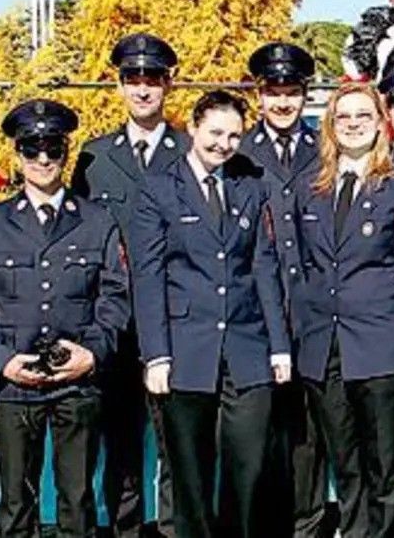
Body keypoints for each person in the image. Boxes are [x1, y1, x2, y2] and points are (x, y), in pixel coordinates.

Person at [0, 99, 130, 538]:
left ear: (65, 152)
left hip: (77, 382)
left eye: (53, 148)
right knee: (15, 501)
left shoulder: (97, 220)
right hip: (15, 383)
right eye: (32, 149)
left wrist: (91, 353)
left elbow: (116, 295)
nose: (43, 160)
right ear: (18, 155)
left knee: (78, 499)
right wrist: (2, 361)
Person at [129, 90, 292, 538]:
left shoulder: (248, 186)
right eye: (216, 132)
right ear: (195, 128)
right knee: (191, 480)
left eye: (234, 135)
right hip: (186, 351)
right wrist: (156, 355)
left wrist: (278, 347)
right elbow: (147, 277)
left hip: (246, 347)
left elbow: (263, 267)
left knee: (248, 471)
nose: (224, 144)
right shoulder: (159, 189)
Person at [291, 84, 394, 538]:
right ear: (330, 124)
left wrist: (385, 317)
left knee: (385, 466)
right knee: (345, 464)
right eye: (343, 116)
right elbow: (306, 266)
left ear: (379, 121)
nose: (352, 123)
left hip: (381, 346)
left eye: (362, 115)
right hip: (323, 347)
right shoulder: (311, 188)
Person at [71, 33, 187, 538]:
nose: (142, 89)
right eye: (132, 79)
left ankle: (173, 530)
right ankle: (125, 530)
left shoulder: (191, 150)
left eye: (152, 79)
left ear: (169, 83)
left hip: (179, 320)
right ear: (118, 85)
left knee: (178, 444)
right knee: (119, 444)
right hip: (117, 325)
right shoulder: (94, 157)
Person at [238, 42, 332, 538]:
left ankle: (310, 524)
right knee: (260, 431)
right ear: (258, 94)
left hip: (316, 311)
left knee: (309, 433)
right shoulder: (238, 152)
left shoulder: (325, 149)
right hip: (257, 314)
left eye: (291, 92)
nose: (282, 102)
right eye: (273, 92)